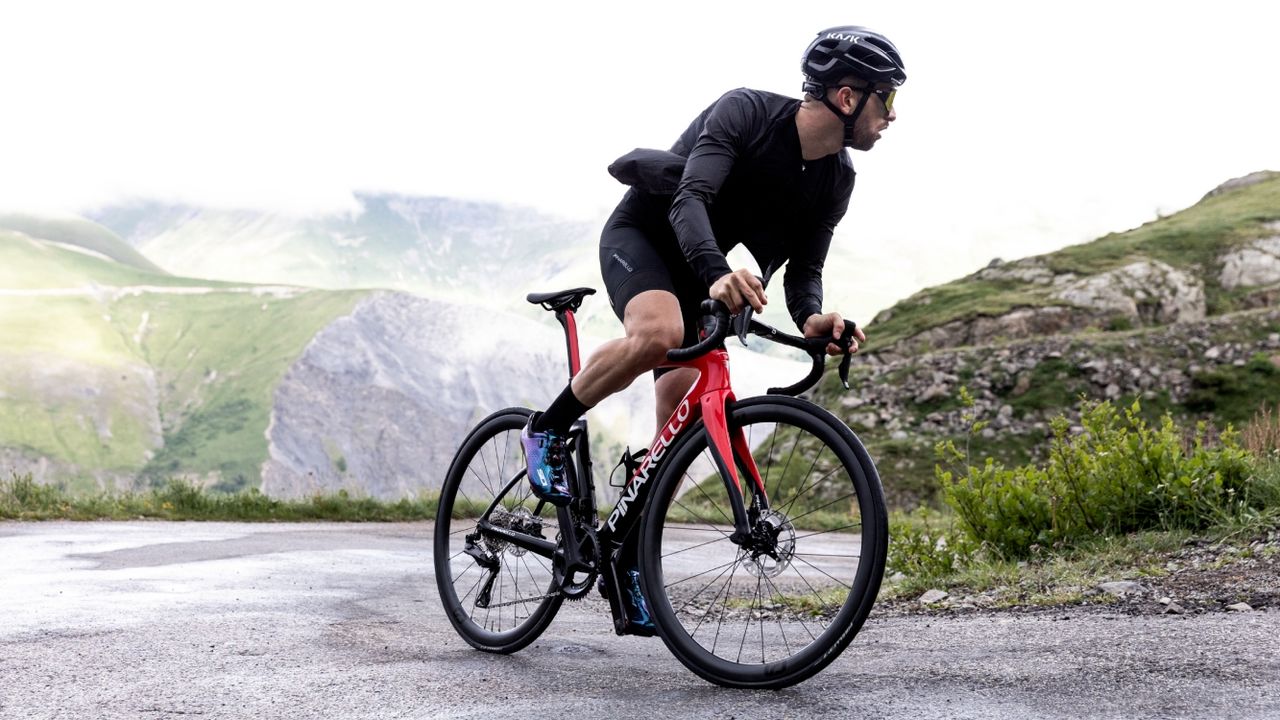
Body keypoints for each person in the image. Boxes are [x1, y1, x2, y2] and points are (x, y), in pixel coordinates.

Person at [521, 25, 907, 634]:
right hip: (648, 237)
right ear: (847, 96)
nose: (893, 116)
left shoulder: (838, 179)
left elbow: (804, 271)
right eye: (889, 99)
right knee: (656, 333)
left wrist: (815, 320)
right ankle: (546, 428)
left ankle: (627, 552)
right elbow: (689, 199)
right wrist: (716, 273)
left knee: (674, 426)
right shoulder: (746, 112)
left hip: (707, 272)